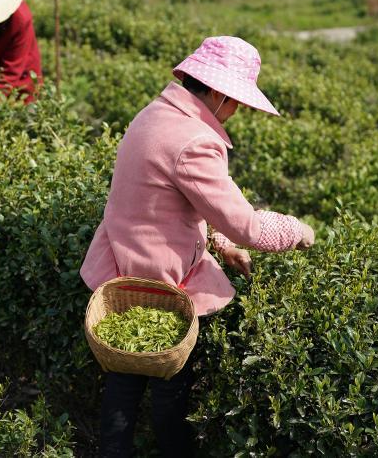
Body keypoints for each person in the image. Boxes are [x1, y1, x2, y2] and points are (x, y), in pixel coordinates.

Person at [79, 36, 316, 458]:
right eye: (237, 101)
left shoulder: (154, 113)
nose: (237, 111)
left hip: (121, 266)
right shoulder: (196, 140)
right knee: (169, 393)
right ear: (221, 94)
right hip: (160, 282)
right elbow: (247, 225)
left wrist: (219, 242)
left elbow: (174, 199)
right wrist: (296, 229)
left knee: (122, 381)